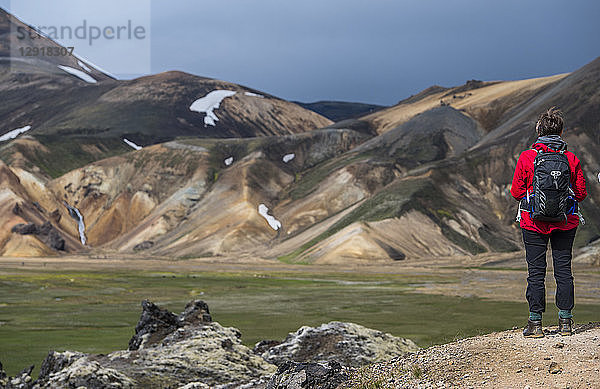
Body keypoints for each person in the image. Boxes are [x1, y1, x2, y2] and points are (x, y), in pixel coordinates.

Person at [511, 107, 587, 338]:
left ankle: (535, 324)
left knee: (536, 272)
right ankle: (565, 323)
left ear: (539, 131)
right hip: (566, 222)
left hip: (533, 223)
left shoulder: (527, 157)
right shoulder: (570, 159)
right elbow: (581, 193)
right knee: (563, 270)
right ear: (561, 132)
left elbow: (516, 192)